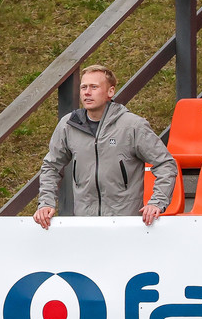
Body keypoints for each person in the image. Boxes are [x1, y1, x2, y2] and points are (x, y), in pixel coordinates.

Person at [33, 65, 177, 229]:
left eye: (94, 87)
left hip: (126, 225)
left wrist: (157, 202)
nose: (87, 92)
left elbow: (165, 164)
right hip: (85, 224)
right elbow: (51, 166)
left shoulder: (132, 125)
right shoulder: (68, 125)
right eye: (84, 87)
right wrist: (46, 202)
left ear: (110, 91)